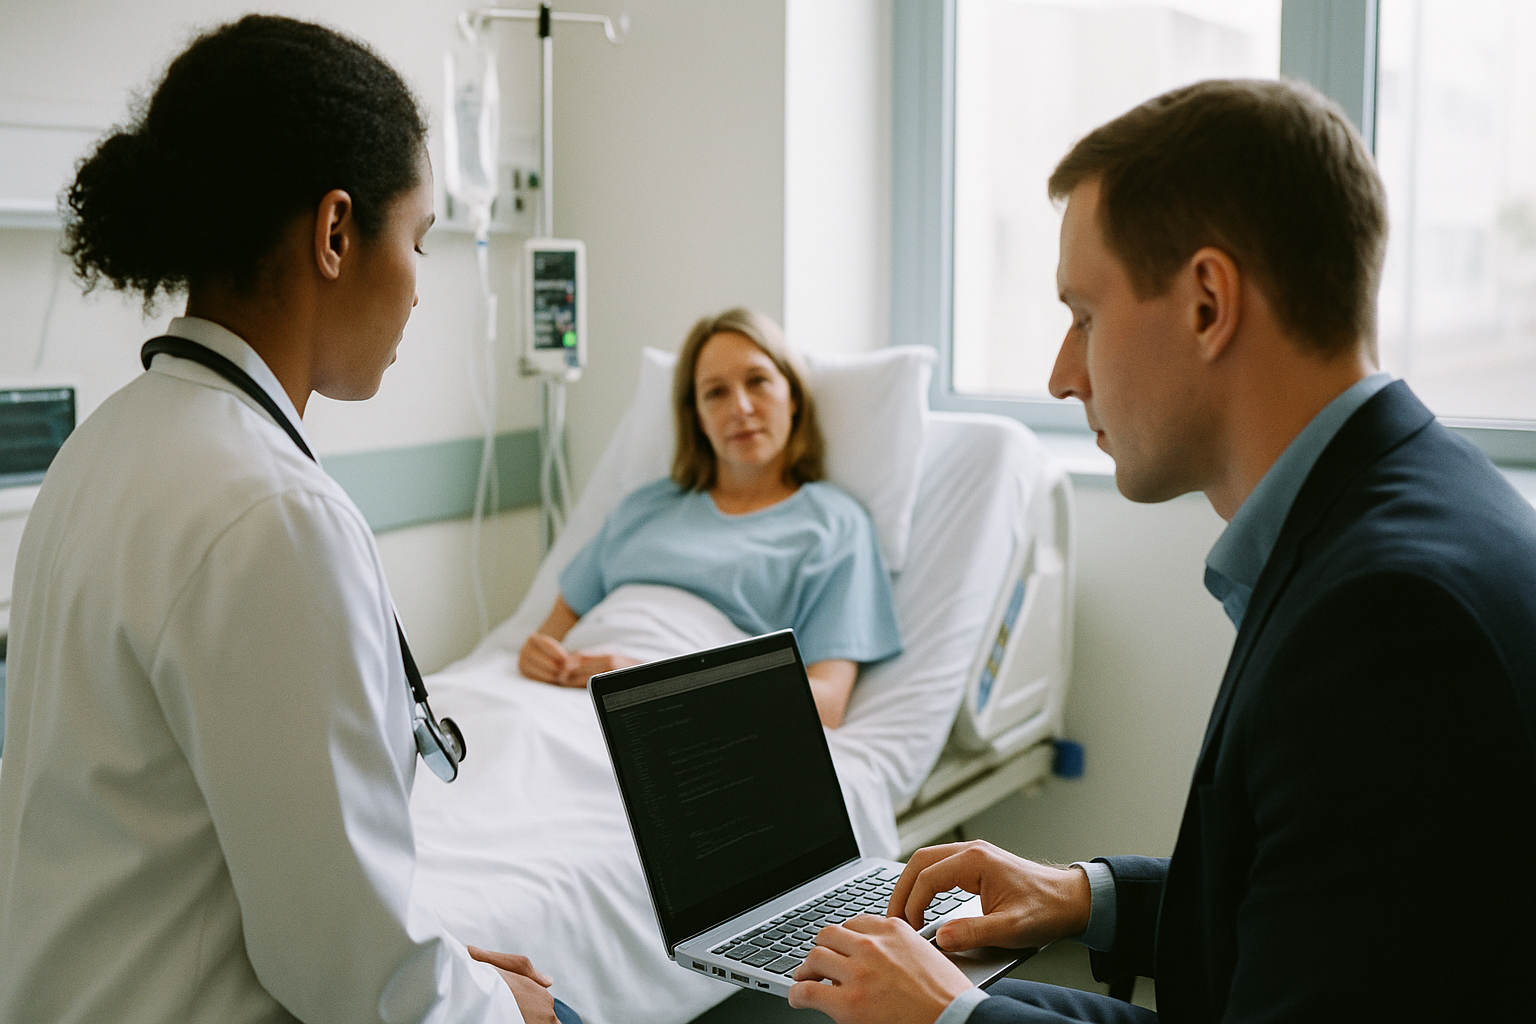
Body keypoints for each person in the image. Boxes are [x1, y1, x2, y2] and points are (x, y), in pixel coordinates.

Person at [785, 79, 1536, 1023]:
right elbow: (1329, 911)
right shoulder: (1420, 505)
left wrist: (951, 1016)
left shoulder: (1386, 621)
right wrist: (1087, 896)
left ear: (1207, 304)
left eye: (1084, 316)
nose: (1062, 375)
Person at [0, 17, 575, 1024]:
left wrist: (440, 968)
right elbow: (351, 976)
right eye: (418, 241)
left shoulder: (103, 448)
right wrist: (494, 1003)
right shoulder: (274, 516)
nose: (418, 291)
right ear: (336, 233)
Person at [518, 308, 901, 728]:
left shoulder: (835, 525)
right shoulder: (643, 507)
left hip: (670, 716)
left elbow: (826, 704)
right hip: (559, 695)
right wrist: (536, 655)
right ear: (698, 417)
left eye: (758, 381)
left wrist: (651, 682)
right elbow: (553, 629)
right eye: (715, 392)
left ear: (792, 395)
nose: (740, 407)